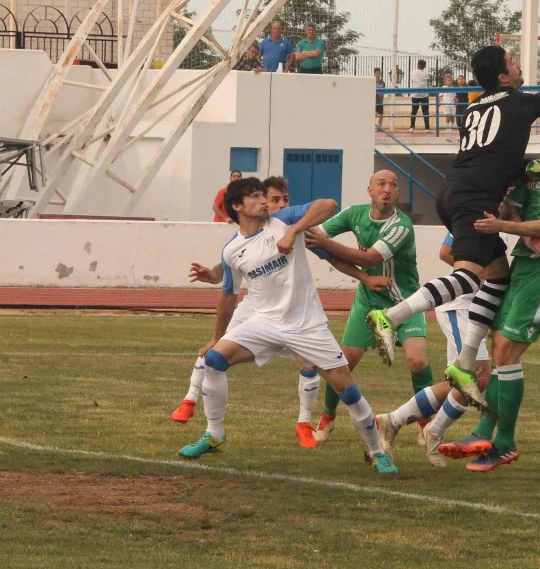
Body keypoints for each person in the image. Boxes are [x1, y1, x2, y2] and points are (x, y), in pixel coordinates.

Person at [365, 45, 540, 410]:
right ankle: (391, 316)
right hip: (474, 197)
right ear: (503, 76)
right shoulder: (526, 102)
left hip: (453, 190)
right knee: (469, 276)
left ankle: (464, 365)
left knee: (497, 277)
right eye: (513, 61)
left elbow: (499, 157)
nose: (519, 64)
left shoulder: (473, 107)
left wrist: (530, 174)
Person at [176, 177, 399, 474]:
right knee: (214, 360)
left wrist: (294, 231)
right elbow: (228, 297)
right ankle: (214, 436)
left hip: (308, 325)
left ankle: (375, 451)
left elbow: (329, 204)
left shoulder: (283, 219)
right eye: (255, 196)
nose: (264, 201)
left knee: (346, 388)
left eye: (263, 194)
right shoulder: (231, 251)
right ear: (238, 207)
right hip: (265, 323)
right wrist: (216, 338)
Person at [435, 101, 540, 472]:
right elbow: (513, 207)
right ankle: (485, 435)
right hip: (523, 265)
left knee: (506, 349)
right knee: (500, 349)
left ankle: (503, 442)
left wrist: (510, 230)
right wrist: (520, 227)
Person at [304, 170, 432, 444]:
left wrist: (325, 244)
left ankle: (426, 423)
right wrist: (293, 227)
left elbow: (369, 256)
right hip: (368, 300)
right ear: (370, 191)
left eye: (394, 185)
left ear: (398, 194)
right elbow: (315, 237)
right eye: (381, 184)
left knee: (417, 360)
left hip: (405, 302)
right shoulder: (354, 214)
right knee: (342, 361)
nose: (388, 189)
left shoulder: (402, 225)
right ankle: (327, 418)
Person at [375, 231, 494, 467]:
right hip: (462, 306)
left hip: (475, 306)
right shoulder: (480, 208)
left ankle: (392, 421)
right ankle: (434, 431)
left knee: (462, 382)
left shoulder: (509, 211)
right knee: (475, 377)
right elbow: (445, 251)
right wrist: (483, 272)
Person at [408, 59, 431, 131]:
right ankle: (427, 128)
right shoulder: (426, 74)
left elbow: (412, 80)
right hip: (424, 95)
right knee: (426, 112)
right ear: (424, 66)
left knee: (414, 112)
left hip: (415, 95)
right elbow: (427, 82)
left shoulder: (413, 73)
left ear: (417, 64)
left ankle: (412, 127)